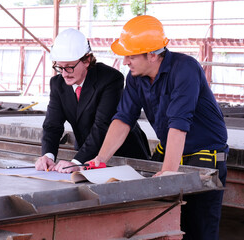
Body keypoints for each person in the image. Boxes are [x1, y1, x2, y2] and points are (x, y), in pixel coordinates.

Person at [90, 15, 228, 240]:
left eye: (131, 55)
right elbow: (123, 118)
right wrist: (99, 159)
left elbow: (179, 125)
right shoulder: (136, 76)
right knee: (158, 227)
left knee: (198, 231)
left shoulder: (185, 69)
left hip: (204, 157)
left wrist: (168, 174)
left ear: (152, 55)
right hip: (170, 152)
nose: (126, 61)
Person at [35, 28, 151, 173]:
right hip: (86, 154)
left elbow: (102, 126)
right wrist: (48, 156)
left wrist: (76, 162)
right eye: (59, 67)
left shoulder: (110, 79)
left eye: (69, 67)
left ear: (87, 60)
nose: (64, 73)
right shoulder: (57, 84)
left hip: (123, 155)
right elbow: (52, 125)